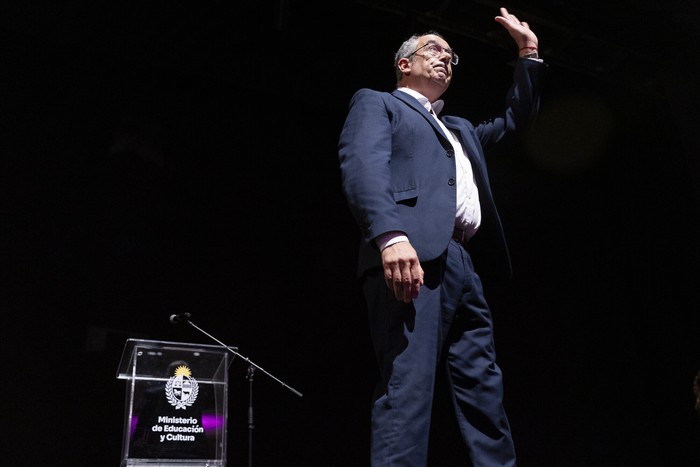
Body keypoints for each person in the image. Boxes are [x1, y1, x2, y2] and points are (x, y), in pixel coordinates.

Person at [337, 7, 546, 466]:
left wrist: (528, 53)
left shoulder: (460, 130)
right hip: (409, 252)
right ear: (404, 63)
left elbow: (516, 121)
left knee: (484, 389)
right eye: (434, 50)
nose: (446, 60)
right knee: (407, 386)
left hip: (462, 263)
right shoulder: (378, 102)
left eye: (452, 57)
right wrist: (390, 237)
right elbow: (363, 169)